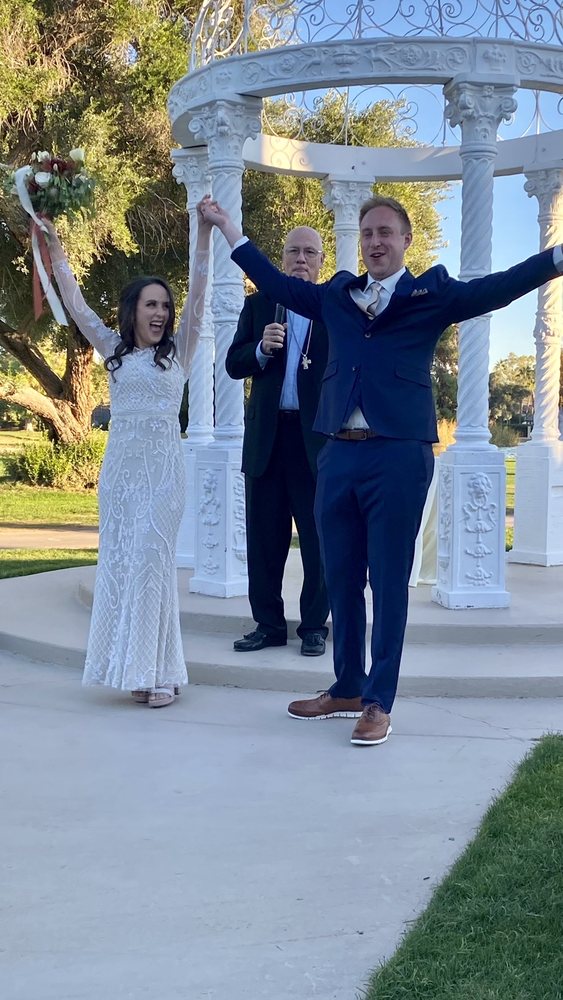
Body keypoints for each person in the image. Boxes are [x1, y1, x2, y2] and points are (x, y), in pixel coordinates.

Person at [201, 193, 563, 745]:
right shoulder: (336, 296)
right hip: (337, 454)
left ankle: (377, 702)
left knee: (388, 580)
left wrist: (556, 258)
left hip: (398, 455)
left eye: (385, 232)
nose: (375, 242)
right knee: (341, 575)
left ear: (405, 241)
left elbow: (500, 287)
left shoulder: (430, 294)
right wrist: (230, 227)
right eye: (368, 232)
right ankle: (347, 687)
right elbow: (274, 282)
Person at [42, 203, 212, 707]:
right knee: (123, 565)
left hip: (164, 477)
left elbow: (200, 292)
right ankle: (145, 669)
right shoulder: (113, 352)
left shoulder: (179, 352)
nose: (160, 313)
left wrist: (203, 233)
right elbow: (76, 305)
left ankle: (156, 671)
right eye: (151, 305)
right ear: (133, 310)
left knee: (153, 563)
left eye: (165, 306)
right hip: (120, 477)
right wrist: (53, 243)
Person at [225, 227, 330, 655]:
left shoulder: (331, 308)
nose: (301, 259)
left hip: (315, 444)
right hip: (266, 440)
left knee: (319, 540)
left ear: (321, 261)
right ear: (281, 258)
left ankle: (314, 627)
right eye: (293, 251)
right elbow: (233, 363)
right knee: (264, 540)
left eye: (310, 253)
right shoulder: (258, 305)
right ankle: (268, 625)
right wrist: (260, 350)